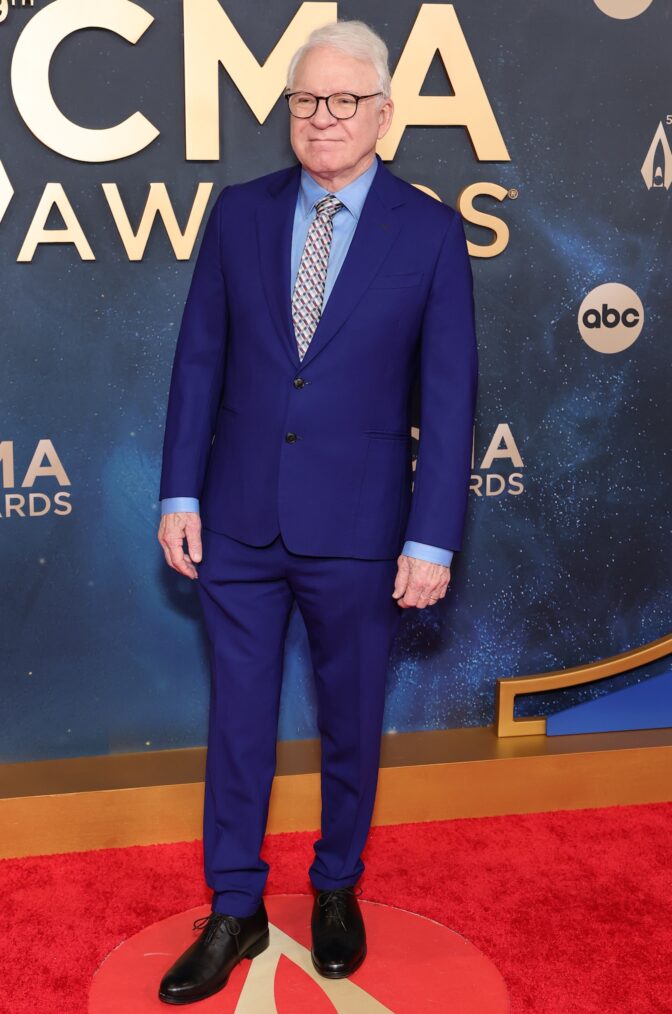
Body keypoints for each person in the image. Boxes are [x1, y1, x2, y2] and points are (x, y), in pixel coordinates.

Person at [156, 18, 477, 1006]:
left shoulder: (427, 232)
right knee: (238, 724)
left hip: (363, 531)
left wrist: (432, 535)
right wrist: (178, 488)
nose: (323, 118)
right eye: (307, 101)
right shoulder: (239, 214)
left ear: (384, 114)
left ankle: (336, 888)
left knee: (350, 723)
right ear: (288, 111)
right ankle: (235, 905)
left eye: (344, 101)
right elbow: (199, 359)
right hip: (239, 519)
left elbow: (452, 392)